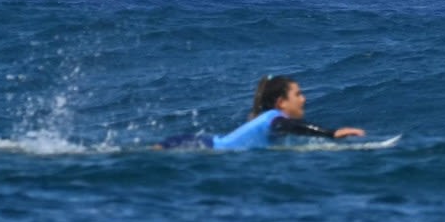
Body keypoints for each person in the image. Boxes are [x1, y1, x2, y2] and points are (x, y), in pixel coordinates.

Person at [156, 75, 365, 150]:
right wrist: (331, 134)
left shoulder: (268, 119)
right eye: (298, 94)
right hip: (196, 146)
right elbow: (291, 127)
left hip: (198, 143)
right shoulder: (275, 118)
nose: (304, 99)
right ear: (281, 102)